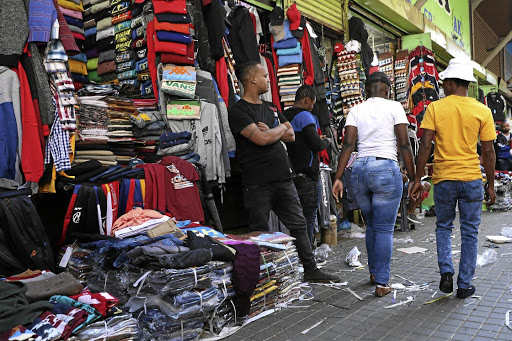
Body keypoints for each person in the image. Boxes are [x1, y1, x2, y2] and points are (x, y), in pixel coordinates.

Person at [228, 61, 340, 283]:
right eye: (265, 76)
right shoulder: (238, 110)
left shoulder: (271, 108)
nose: (268, 80)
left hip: (283, 178)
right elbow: (261, 139)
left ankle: (310, 269)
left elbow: (292, 135)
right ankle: (261, 278)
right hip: (257, 183)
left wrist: (272, 130)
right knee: (260, 232)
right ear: (252, 79)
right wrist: (277, 130)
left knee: (298, 224)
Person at [410, 57, 496, 299]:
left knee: (443, 227)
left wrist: (417, 179)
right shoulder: (483, 110)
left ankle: (446, 271)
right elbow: (488, 152)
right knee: (469, 232)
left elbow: (425, 146)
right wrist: (490, 184)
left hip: (444, 179)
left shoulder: (435, 108)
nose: (442, 86)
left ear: (450, 83)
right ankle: (464, 284)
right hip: (471, 180)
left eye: (444, 82)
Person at [332, 71, 418, 297]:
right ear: (387, 90)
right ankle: (382, 282)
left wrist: (338, 177)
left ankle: (373, 273)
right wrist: (414, 177)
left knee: (372, 225)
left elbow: (348, 145)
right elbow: (404, 144)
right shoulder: (394, 107)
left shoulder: (356, 109)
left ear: (366, 90)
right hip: (385, 169)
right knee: (384, 229)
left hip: (359, 171)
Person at [283, 85, 329, 247]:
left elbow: (301, 139)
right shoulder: (305, 115)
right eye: (312, 103)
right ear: (306, 100)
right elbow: (316, 144)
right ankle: (307, 255)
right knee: (308, 218)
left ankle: (298, 253)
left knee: (295, 219)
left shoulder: (284, 115)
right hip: (307, 177)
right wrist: (325, 141)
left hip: (290, 176)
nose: (313, 107)